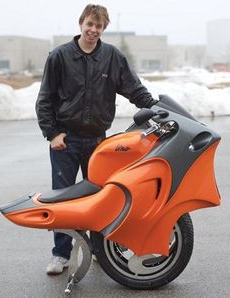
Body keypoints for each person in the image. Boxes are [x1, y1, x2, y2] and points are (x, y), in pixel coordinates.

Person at [36, 4, 156, 275]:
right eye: (90, 24)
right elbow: (45, 99)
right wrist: (53, 133)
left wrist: (155, 107)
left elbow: (133, 88)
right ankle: (61, 254)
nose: (93, 30)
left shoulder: (112, 57)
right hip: (64, 141)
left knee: (102, 197)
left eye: (99, 26)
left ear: (104, 29)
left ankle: (101, 250)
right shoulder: (59, 56)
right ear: (81, 23)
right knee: (63, 199)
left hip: (97, 142)